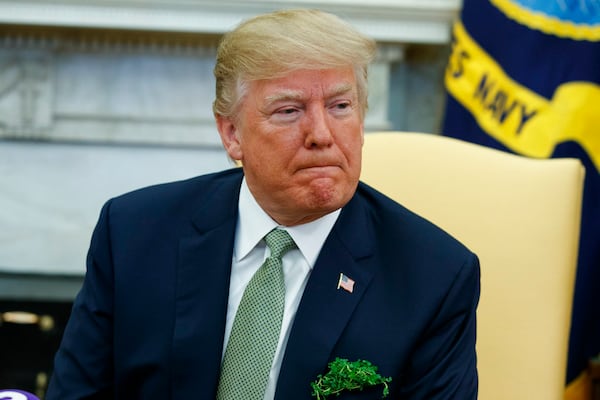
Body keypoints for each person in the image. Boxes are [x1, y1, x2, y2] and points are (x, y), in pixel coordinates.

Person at [46, 8, 480, 400]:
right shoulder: (133, 234)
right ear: (232, 133)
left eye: (341, 106)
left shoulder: (434, 276)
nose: (322, 134)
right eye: (289, 111)